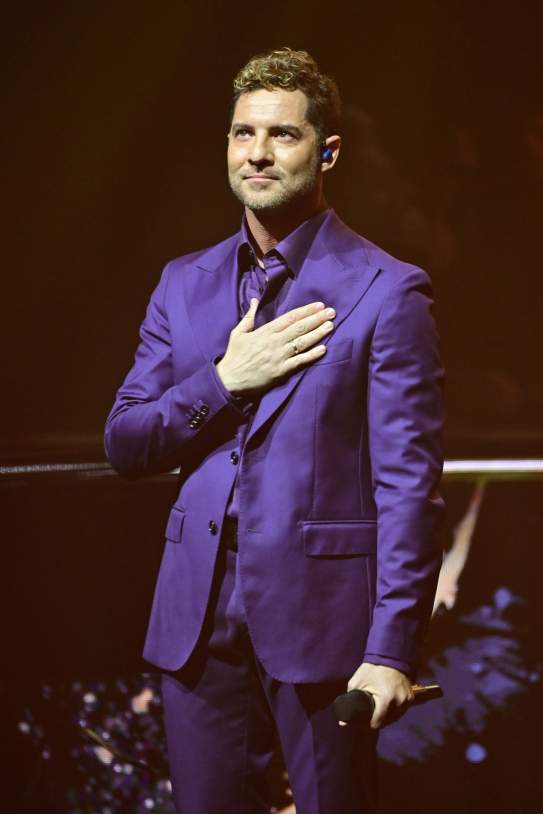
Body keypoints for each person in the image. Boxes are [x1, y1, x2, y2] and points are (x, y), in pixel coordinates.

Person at [104, 47, 444, 814]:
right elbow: (125, 440)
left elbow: (408, 489)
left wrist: (391, 650)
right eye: (241, 133)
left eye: (282, 134)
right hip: (196, 619)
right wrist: (225, 381)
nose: (256, 152)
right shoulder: (182, 282)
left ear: (327, 151)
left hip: (323, 624)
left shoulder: (388, 291)